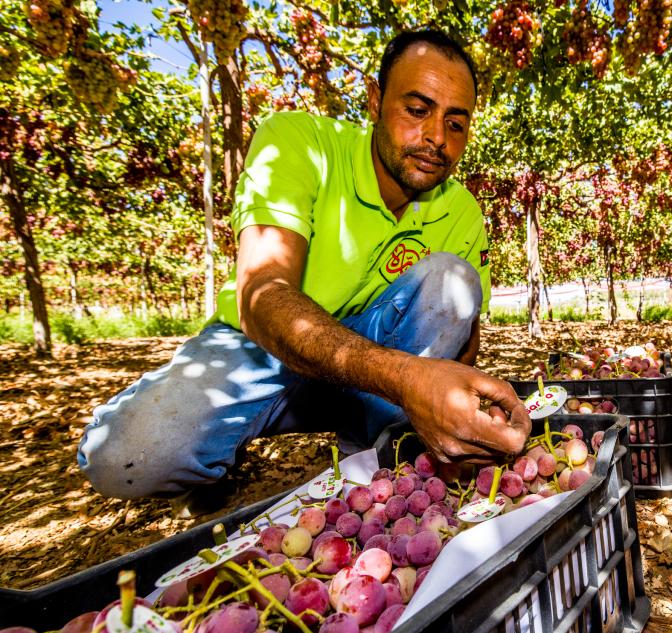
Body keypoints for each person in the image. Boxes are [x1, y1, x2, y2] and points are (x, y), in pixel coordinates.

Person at [77, 30, 531, 514]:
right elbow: (264, 294)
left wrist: (461, 416)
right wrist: (405, 380)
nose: (437, 138)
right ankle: (210, 466)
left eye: (456, 123)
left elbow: (464, 341)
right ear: (375, 100)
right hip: (263, 350)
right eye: (417, 110)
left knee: (454, 282)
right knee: (124, 456)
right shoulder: (298, 144)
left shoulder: (461, 211)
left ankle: (372, 458)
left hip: (373, 378)